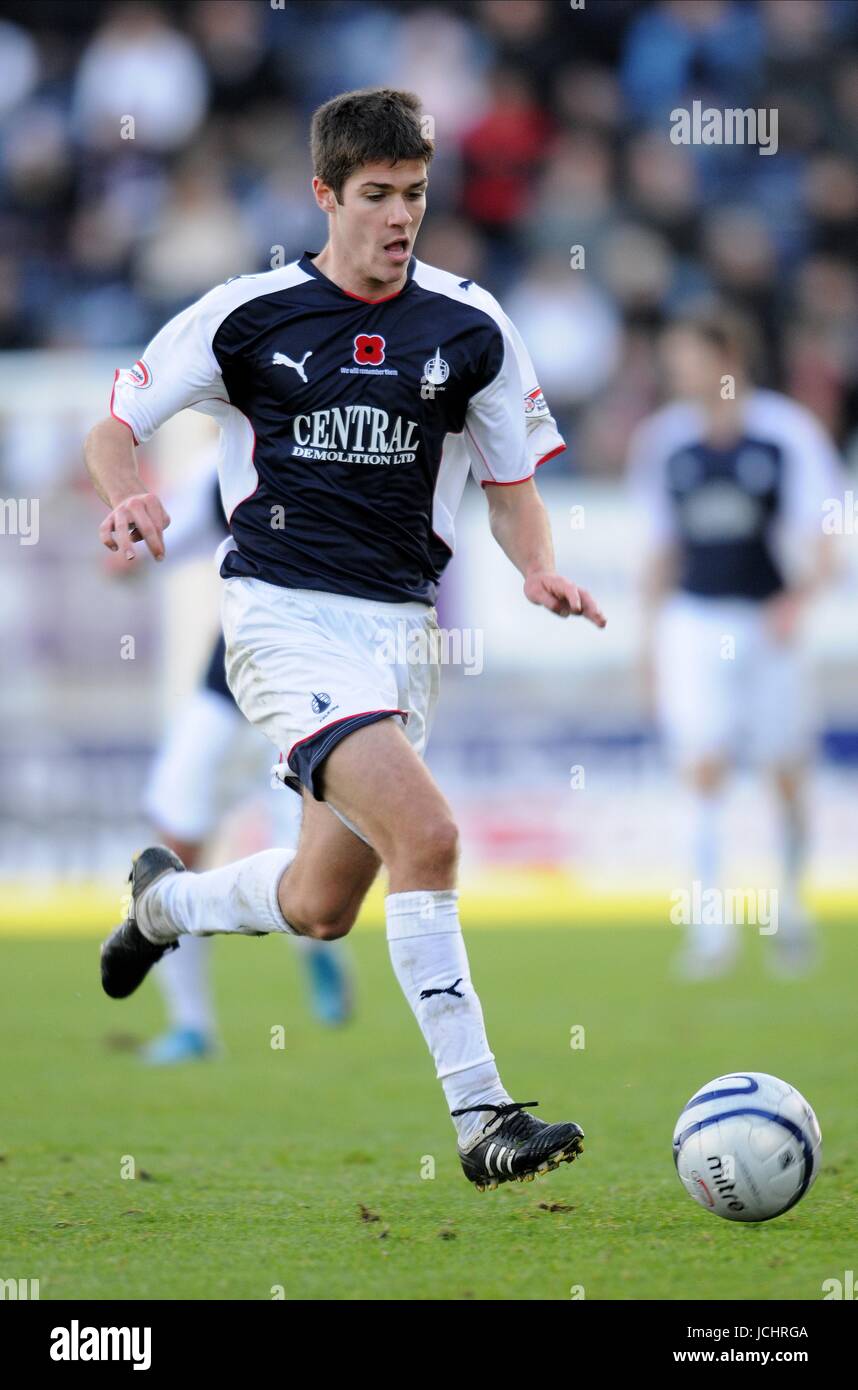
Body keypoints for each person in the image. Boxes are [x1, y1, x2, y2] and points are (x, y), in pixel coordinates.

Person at [85, 87, 605, 1193]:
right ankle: (482, 1116)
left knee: (322, 907)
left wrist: (539, 567)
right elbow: (116, 421)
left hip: (399, 639)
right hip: (281, 619)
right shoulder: (249, 314)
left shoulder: (472, 326)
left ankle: (161, 903)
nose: (399, 216)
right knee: (431, 835)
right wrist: (128, 496)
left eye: (416, 194)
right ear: (324, 194)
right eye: (376, 196)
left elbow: (510, 490)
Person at [629, 303, 841, 980]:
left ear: (726, 358)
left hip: (767, 620)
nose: (675, 370)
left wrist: (799, 599)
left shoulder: (786, 434)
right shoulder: (664, 442)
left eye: (687, 355)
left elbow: (823, 532)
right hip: (695, 621)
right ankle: (710, 926)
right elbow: (659, 550)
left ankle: (790, 908)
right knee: (702, 765)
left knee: (784, 770)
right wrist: (648, 641)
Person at [135, 457, 354, 1063]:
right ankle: (192, 1025)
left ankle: (317, 952)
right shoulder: (225, 470)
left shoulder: (344, 450)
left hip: (313, 696)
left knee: (309, 859)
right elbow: (145, 550)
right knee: (174, 840)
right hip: (230, 687)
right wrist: (128, 529)